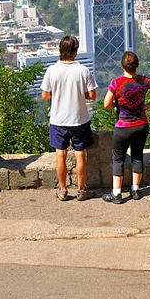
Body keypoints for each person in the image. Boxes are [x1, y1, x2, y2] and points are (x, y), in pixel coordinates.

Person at [101, 51, 150, 204]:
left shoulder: (116, 82)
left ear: (122, 65)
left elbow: (106, 104)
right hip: (141, 124)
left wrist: (116, 106)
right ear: (136, 65)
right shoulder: (143, 80)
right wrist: (148, 105)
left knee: (118, 159)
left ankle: (117, 193)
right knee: (137, 156)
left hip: (123, 126)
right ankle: (135, 190)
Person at [40, 36, 98, 202]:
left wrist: (57, 93)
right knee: (81, 155)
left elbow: (44, 95)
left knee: (60, 155)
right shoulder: (83, 70)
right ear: (75, 52)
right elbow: (93, 95)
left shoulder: (52, 70)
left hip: (58, 119)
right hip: (79, 118)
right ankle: (81, 189)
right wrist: (80, 93)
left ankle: (63, 189)